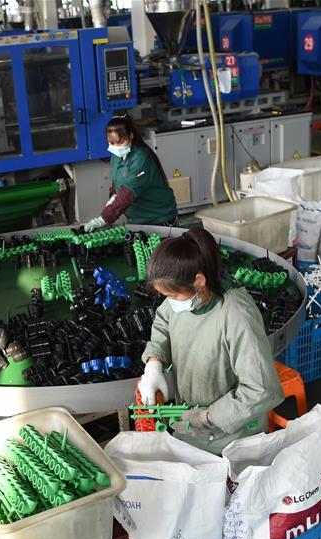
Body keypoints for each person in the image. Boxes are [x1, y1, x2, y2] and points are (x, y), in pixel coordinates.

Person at [137, 226, 283, 454]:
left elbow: (261, 389)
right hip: (190, 428)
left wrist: (209, 417)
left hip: (231, 441)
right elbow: (164, 320)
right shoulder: (183, 300)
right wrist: (154, 362)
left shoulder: (236, 314)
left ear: (199, 280)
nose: (170, 302)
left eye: (172, 296)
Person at [83, 116, 178, 232]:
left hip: (159, 219)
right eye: (111, 143)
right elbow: (117, 182)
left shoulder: (141, 158)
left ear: (131, 136)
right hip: (137, 220)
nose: (116, 147)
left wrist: (104, 218)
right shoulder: (116, 156)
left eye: (120, 142)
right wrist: (113, 197)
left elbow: (128, 193)